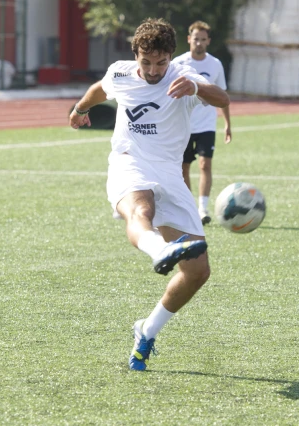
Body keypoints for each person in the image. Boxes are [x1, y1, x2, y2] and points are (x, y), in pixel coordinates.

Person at [68, 18, 230, 370]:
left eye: (161, 63)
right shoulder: (121, 73)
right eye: (147, 62)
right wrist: (80, 110)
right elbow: (100, 88)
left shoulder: (184, 76)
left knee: (198, 271)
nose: (154, 70)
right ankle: (160, 249)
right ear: (136, 56)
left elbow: (222, 97)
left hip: (170, 175)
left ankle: (147, 329)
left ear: (171, 56)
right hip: (130, 162)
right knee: (140, 209)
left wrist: (196, 89)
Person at [174, 21, 232, 225]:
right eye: (195, 39)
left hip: (207, 124)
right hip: (184, 125)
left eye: (203, 39)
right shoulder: (179, 64)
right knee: (183, 167)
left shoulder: (215, 64)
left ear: (208, 41)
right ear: (189, 39)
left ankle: (202, 208)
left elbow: (222, 95)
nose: (199, 43)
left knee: (205, 164)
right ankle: (188, 207)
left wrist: (227, 123)